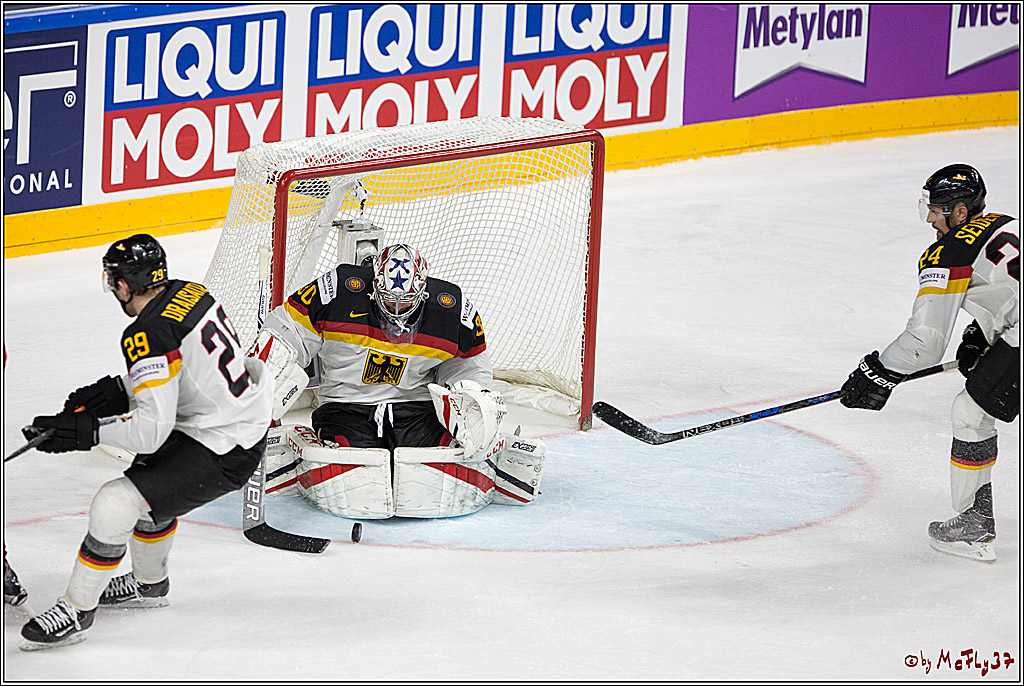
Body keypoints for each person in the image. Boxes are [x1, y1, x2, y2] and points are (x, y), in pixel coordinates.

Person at [19, 234, 273, 650]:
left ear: (122, 284)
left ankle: (77, 610)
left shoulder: (146, 332)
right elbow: (189, 374)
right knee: (150, 490)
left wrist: (86, 432)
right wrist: (117, 392)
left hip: (224, 446)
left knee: (115, 505)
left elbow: (151, 431)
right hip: (229, 423)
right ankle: (148, 585)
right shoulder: (189, 292)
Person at [839, 163, 1019, 563]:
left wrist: (879, 373)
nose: (930, 221)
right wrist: (985, 335)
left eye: (935, 211)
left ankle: (973, 524)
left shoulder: (948, 251)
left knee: (970, 413)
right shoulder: (1007, 224)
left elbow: (926, 342)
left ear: (959, 212)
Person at [258, 242, 499, 452]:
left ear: (423, 291)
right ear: (374, 284)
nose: (395, 309)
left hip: (417, 409)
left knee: (440, 460)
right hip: (344, 406)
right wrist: (264, 385)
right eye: (387, 299)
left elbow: (470, 369)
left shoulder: (454, 312)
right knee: (352, 470)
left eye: (405, 302)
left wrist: (472, 403)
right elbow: (285, 332)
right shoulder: (335, 291)